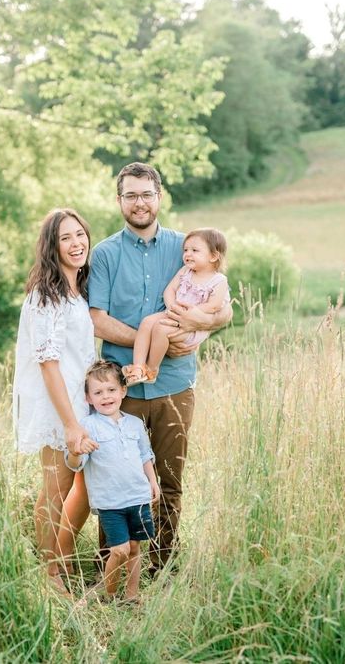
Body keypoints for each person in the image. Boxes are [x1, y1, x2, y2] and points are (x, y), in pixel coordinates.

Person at [87, 162, 232, 575]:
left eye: (146, 194)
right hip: (122, 390)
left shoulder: (186, 246)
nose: (139, 202)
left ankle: (161, 567)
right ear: (119, 201)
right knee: (118, 481)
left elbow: (223, 308)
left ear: (159, 196)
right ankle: (111, 568)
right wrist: (154, 339)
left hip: (174, 385)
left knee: (168, 480)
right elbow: (97, 319)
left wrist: (196, 325)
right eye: (130, 195)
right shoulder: (106, 254)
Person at [12, 208, 98, 594]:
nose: (76, 243)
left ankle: (60, 559)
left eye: (80, 234)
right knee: (55, 488)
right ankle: (49, 577)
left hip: (82, 402)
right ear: (52, 246)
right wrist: (70, 422)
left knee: (86, 485)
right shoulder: (46, 296)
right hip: (58, 406)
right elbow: (48, 365)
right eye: (66, 238)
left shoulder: (77, 291)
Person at [65, 360, 160, 601]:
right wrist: (77, 451)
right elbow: (75, 464)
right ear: (88, 398)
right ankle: (107, 595)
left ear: (123, 391)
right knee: (119, 550)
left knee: (135, 548)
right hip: (110, 502)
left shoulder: (135, 424)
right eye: (98, 392)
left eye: (111, 390)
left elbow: (145, 455)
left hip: (137, 497)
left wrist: (153, 481)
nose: (106, 397)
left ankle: (131, 595)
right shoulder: (87, 427)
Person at [122, 227, 229, 387]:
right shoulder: (186, 271)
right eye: (186, 250)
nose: (188, 254)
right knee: (147, 322)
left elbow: (214, 306)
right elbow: (170, 290)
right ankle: (138, 367)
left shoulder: (218, 280)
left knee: (160, 329)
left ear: (213, 256)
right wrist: (172, 306)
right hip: (173, 313)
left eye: (194, 250)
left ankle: (151, 370)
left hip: (193, 325)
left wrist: (192, 314)